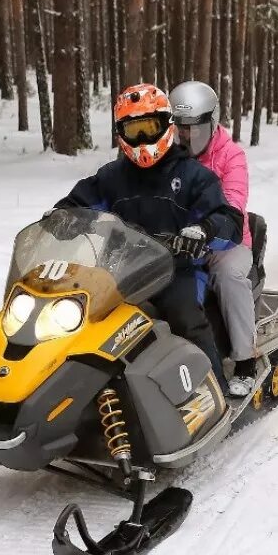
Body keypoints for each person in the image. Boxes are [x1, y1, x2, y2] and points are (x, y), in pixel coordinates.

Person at [56, 83, 243, 387]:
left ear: (167, 126)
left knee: (185, 319)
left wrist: (203, 230)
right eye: (134, 130)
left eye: (149, 128)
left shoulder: (194, 176)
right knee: (77, 320)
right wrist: (60, 219)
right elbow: (77, 204)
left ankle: (213, 388)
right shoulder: (111, 177)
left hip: (175, 271)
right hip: (117, 273)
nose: (142, 139)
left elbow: (228, 220)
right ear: (121, 134)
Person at [170, 80, 257, 398]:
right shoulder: (167, 157)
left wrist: (208, 228)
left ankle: (245, 362)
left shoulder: (231, 156)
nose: (186, 136)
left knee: (227, 275)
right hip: (178, 242)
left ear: (212, 122)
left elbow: (233, 202)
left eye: (194, 128)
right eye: (180, 128)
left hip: (226, 243)